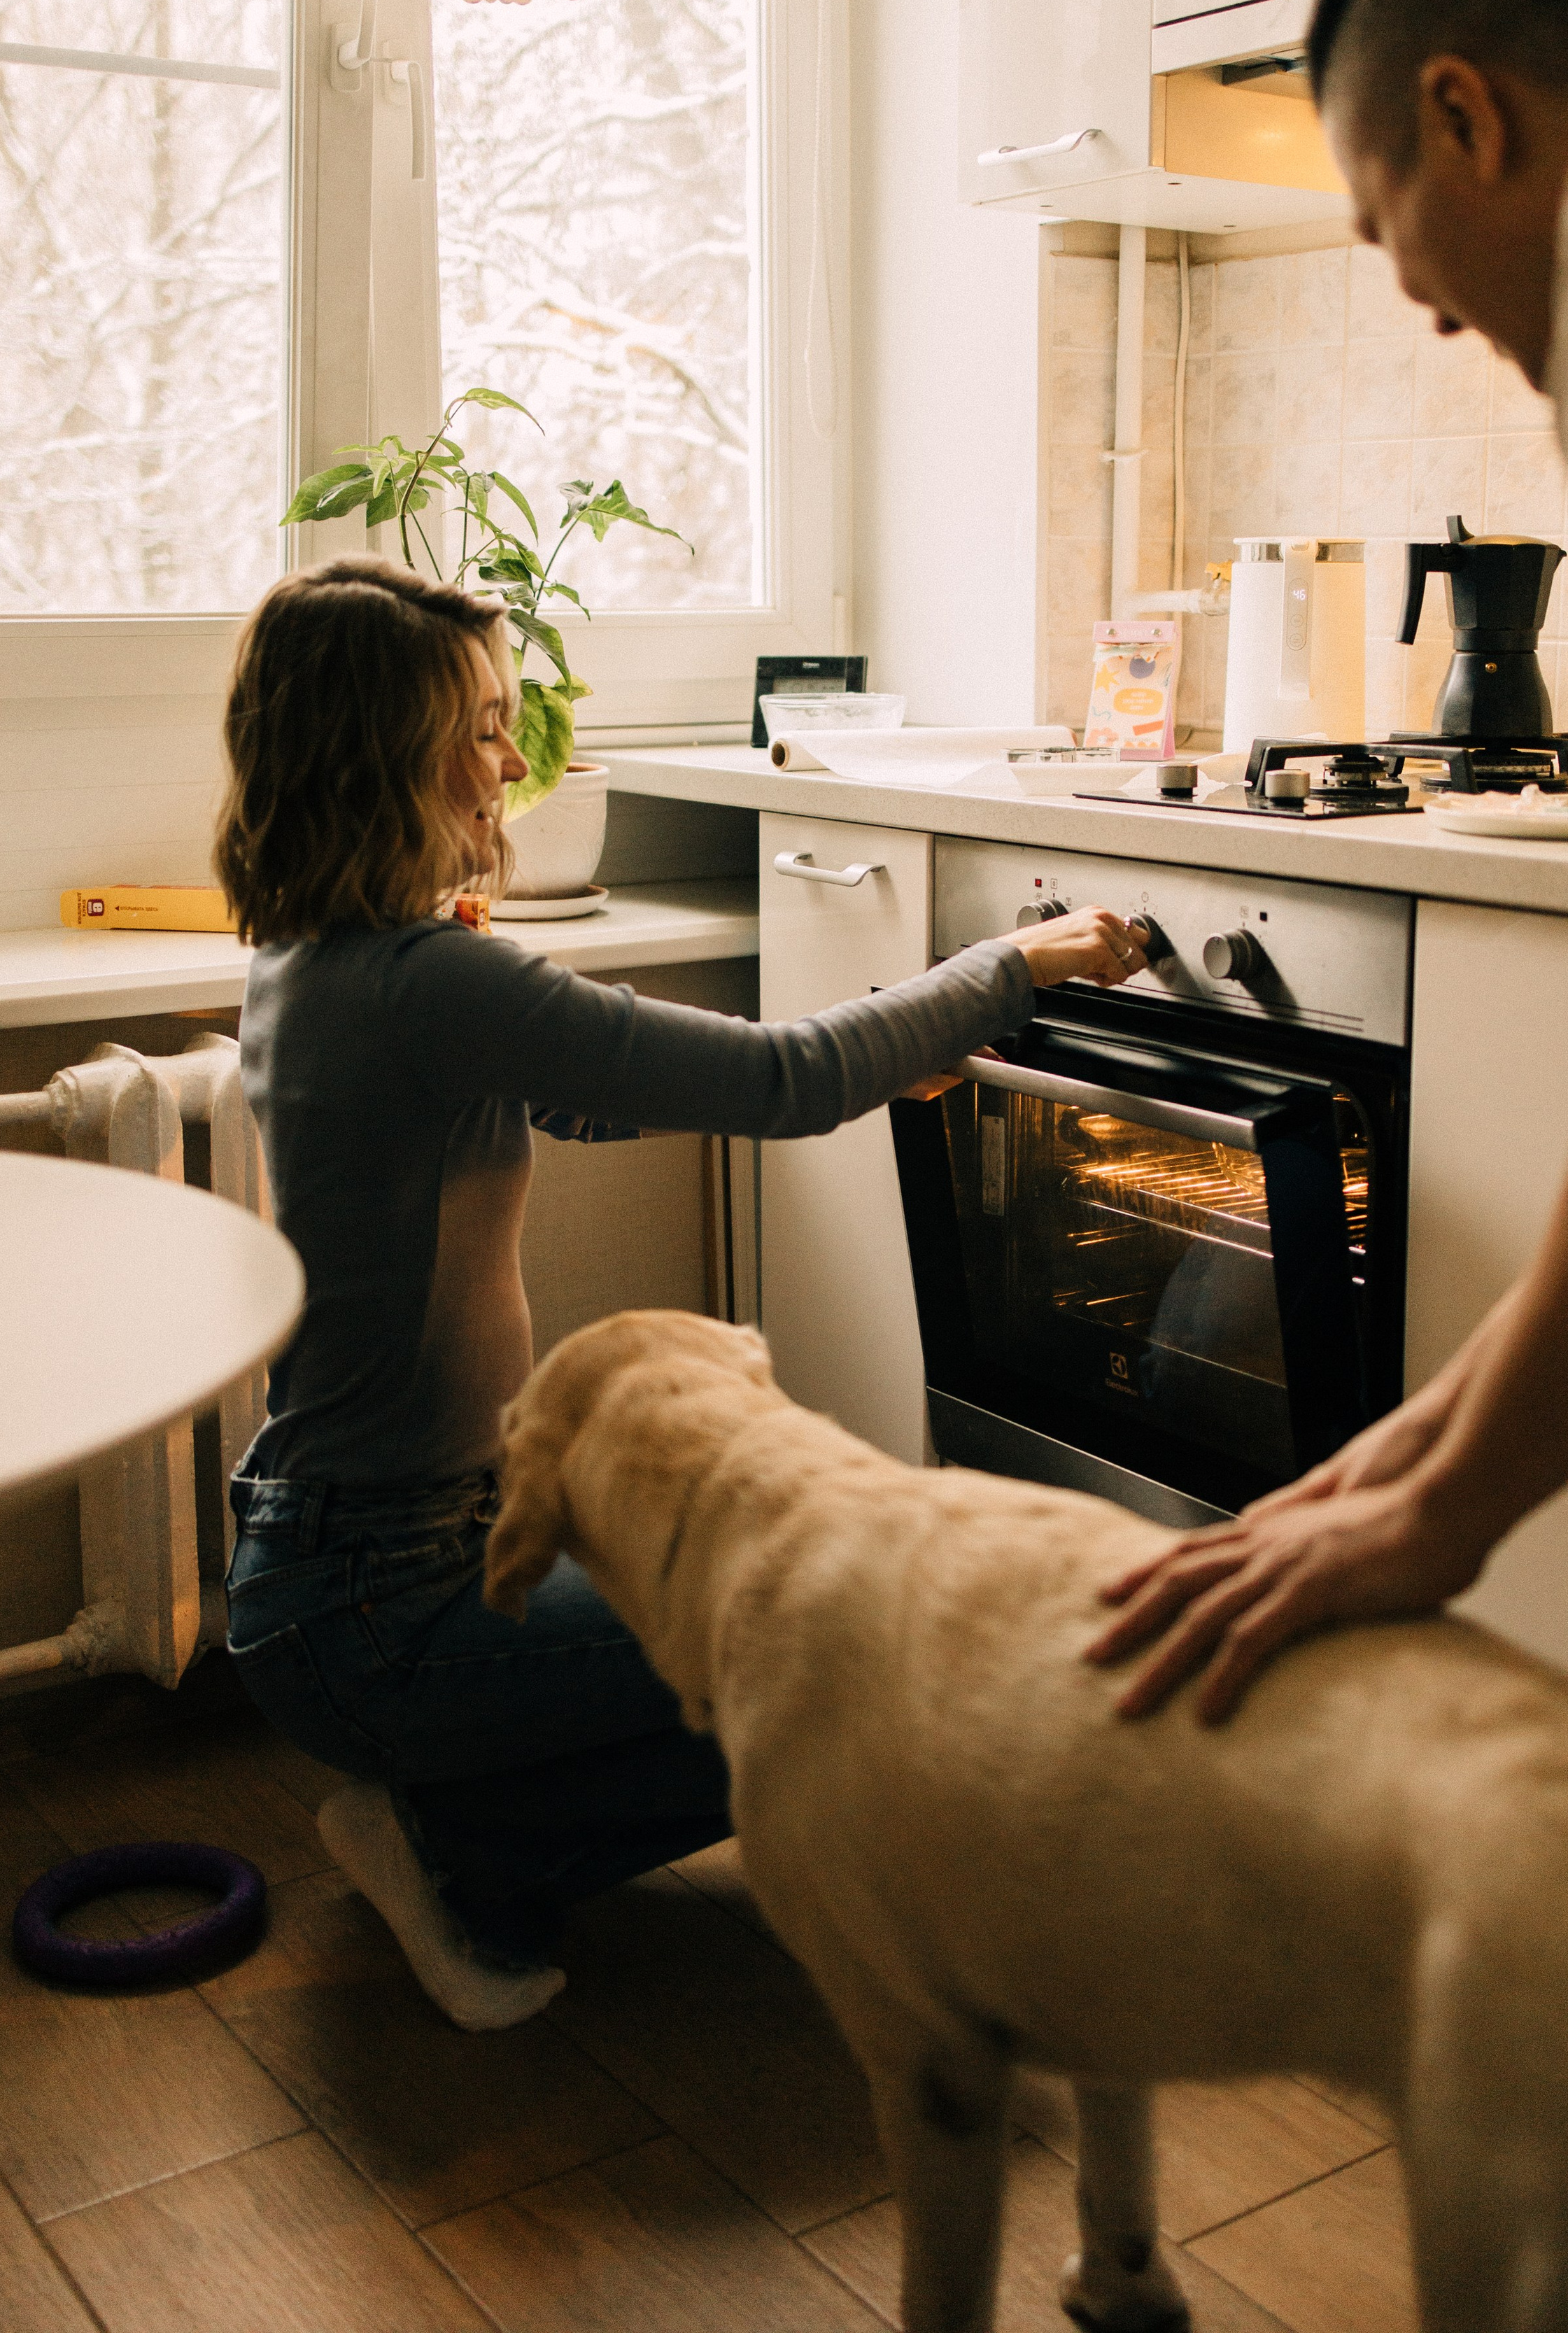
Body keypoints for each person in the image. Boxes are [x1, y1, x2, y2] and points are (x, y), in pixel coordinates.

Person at [216, 556, 1143, 2029]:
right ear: (377, 756)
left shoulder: (319, 960)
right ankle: (458, 1848)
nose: (510, 761)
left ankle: (442, 1795)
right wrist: (1006, 967)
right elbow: (782, 1080)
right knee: (831, 1657)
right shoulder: (421, 982)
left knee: (770, 1614)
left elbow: (566, 1098)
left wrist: (864, 1051)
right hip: (378, 1605)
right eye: (478, 726)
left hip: (351, 1563)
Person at [1091, 0, 1568, 1724]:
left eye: (1390, 237)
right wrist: (1395, 1456)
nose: (1433, 311)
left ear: (1467, 114)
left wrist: (1434, 1516)